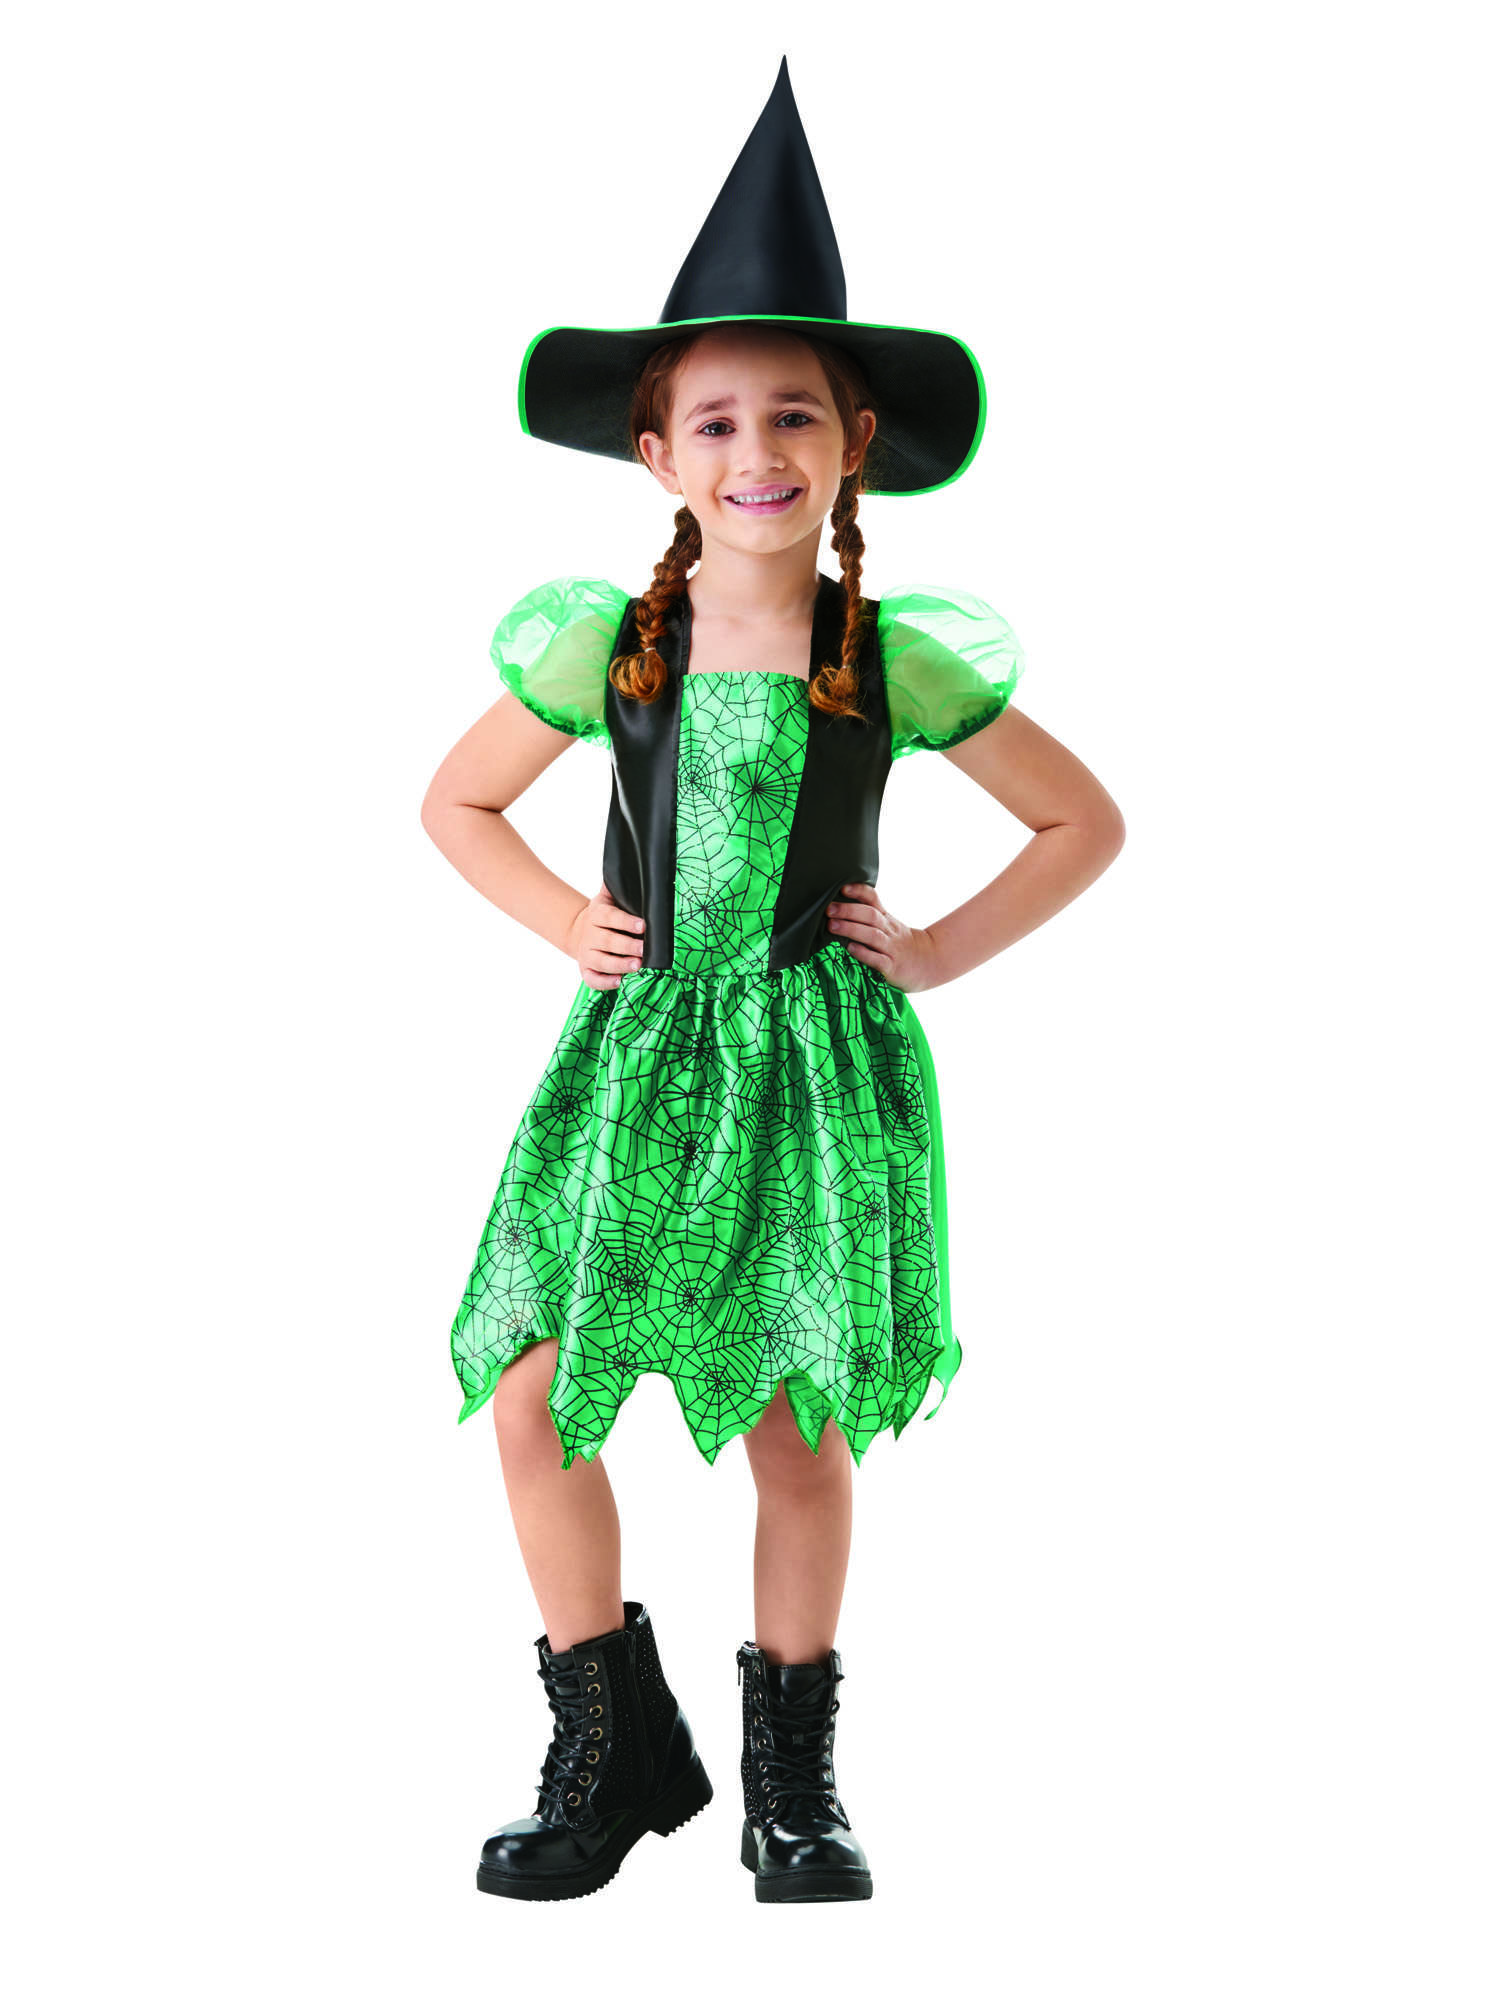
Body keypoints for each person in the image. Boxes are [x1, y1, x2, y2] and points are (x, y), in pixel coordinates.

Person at [421, 59, 1125, 1906]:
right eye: (717, 420)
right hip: (642, 1059)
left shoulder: (885, 658)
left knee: (801, 1427)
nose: (758, 452)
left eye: (794, 415)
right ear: (657, 457)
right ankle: (609, 1745)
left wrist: (934, 953)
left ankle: (790, 1786)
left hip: (815, 1067)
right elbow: (456, 802)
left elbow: (1084, 822)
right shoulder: (614, 647)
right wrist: (559, 922)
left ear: (855, 443)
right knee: (535, 1390)